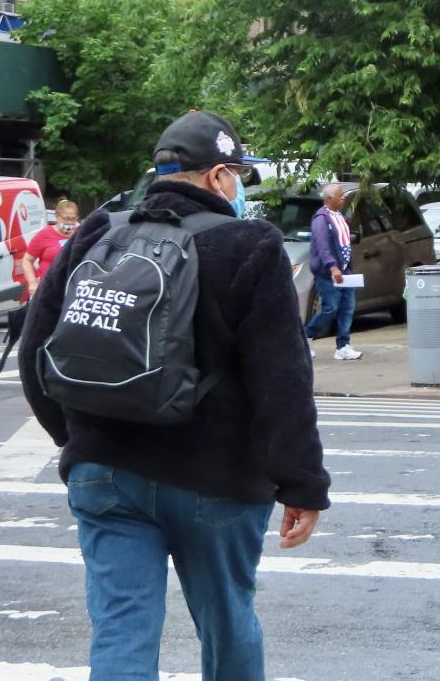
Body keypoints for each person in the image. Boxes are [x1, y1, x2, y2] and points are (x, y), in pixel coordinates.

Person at [18, 109, 329, 680]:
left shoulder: (98, 232)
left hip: (103, 471)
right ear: (216, 177)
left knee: (121, 630)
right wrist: (302, 483)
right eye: (238, 174)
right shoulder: (250, 245)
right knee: (228, 624)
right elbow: (282, 380)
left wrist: (81, 438)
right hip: (214, 480)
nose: (239, 186)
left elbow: (36, 350)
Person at [305, 182, 362, 360]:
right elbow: (323, 246)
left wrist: (346, 267)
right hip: (328, 272)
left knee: (347, 308)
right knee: (330, 308)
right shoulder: (321, 219)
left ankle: (343, 346)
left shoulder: (340, 216)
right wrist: (333, 266)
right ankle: (304, 337)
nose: (344, 197)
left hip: (344, 271)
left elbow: (343, 241)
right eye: (340, 195)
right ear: (330, 199)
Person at [22, 198, 79, 298]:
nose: (69, 222)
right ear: (57, 217)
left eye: (73, 219)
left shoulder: (81, 234)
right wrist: (32, 283)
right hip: (47, 288)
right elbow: (27, 260)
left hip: (71, 289)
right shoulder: (44, 234)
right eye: (66, 218)